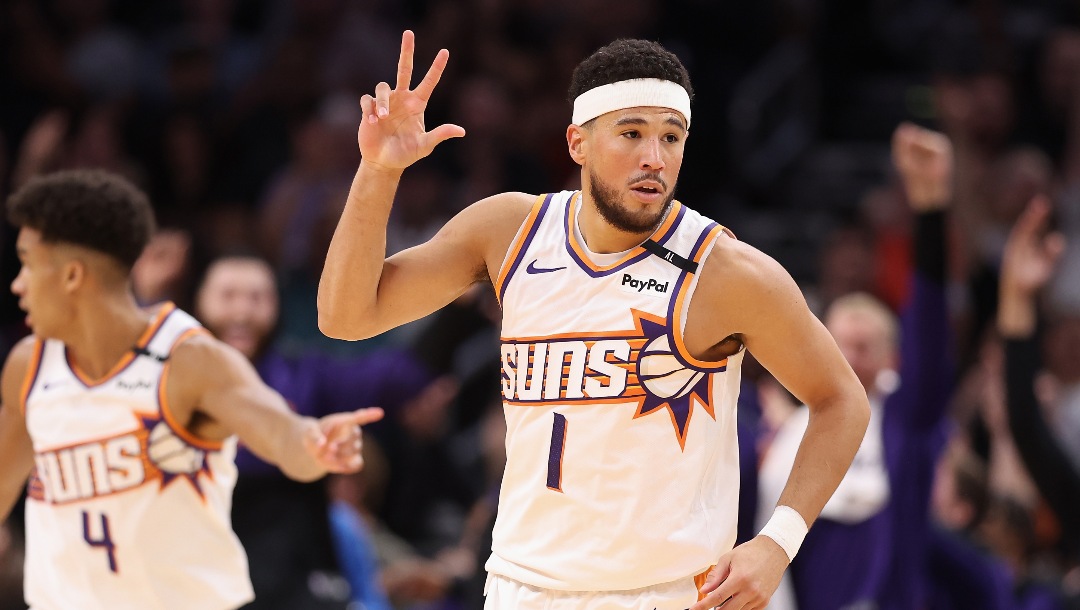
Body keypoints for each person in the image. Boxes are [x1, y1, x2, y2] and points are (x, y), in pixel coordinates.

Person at [318, 31, 869, 610]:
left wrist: (778, 543)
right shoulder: (510, 230)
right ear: (577, 142)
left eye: (671, 137)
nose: (654, 157)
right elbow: (345, 316)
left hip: (669, 594)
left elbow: (842, 400)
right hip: (521, 587)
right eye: (631, 134)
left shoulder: (725, 272)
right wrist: (378, 172)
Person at [0, 169, 383, 610]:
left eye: (27, 263)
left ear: (71, 276)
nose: (18, 285)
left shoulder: (189, 359)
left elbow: (282, 434)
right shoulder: (28, 366)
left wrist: (315, 443)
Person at [756, 123, 956, 609]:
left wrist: (930, 211)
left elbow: (929, 331)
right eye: (839, 343)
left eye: (864, 347)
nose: (848, 357)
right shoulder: (782, 432)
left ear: (892, 359)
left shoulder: (904, 424)